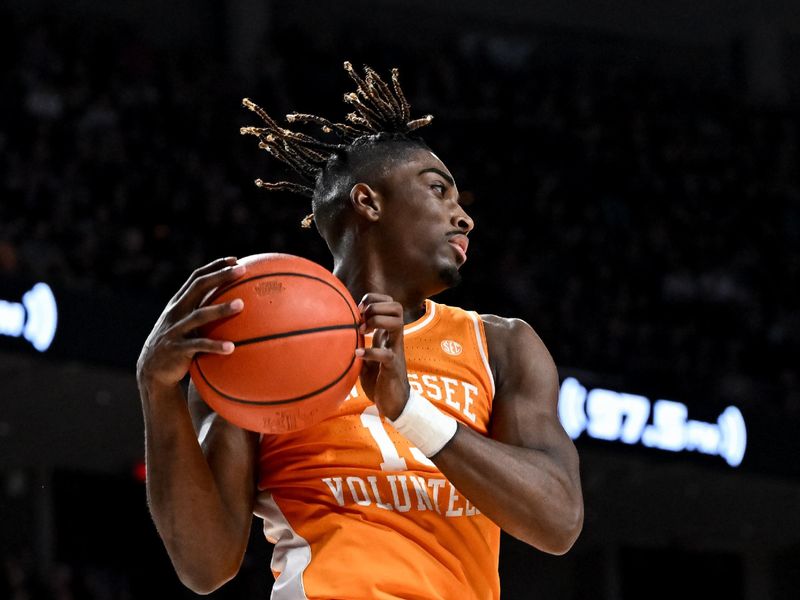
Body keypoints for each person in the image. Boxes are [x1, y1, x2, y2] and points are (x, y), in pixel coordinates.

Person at [136, 62, 583, 599]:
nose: (464, 217)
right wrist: (157, 390)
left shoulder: (501, 344)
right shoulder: (255, 342)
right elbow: (205, 566)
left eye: (460, 203)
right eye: (439, 191)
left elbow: (558, 521)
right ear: (368, 201)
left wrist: (408, 410)